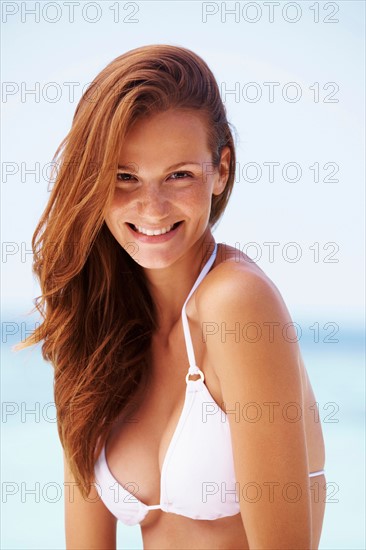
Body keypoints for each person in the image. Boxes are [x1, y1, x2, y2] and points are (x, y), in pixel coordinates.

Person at [16, 44, 326, 549]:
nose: (152, 208)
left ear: (221, 169)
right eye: (124, 177)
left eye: (179, 175)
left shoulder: (237, 304)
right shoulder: (93, 324)